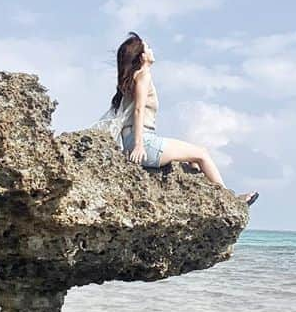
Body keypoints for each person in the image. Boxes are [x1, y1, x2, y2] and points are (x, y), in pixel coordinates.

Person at [108, 32, 258, 205]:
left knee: (192, 162)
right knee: (202, 154)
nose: (151, 49)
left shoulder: (131, 80)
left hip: (132, 141)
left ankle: (207, 199)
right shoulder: (143, 76)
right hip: (144, 142)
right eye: (148, 47)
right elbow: (139, 110)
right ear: (142, 56)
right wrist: (139, 145)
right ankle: (230, 200)